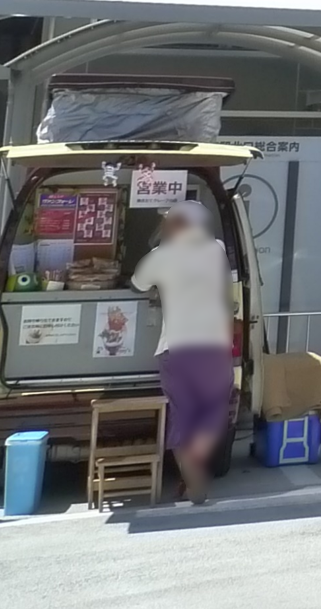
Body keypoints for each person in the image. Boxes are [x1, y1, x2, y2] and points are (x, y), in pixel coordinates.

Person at [129, 200, 235, 505]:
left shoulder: (159, 256)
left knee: (181, 414)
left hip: (176, 348)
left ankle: (191, 473)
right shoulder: (216, 249)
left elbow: (137, 284)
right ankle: (196, 468)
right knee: (213, 413)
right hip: (214, 348)